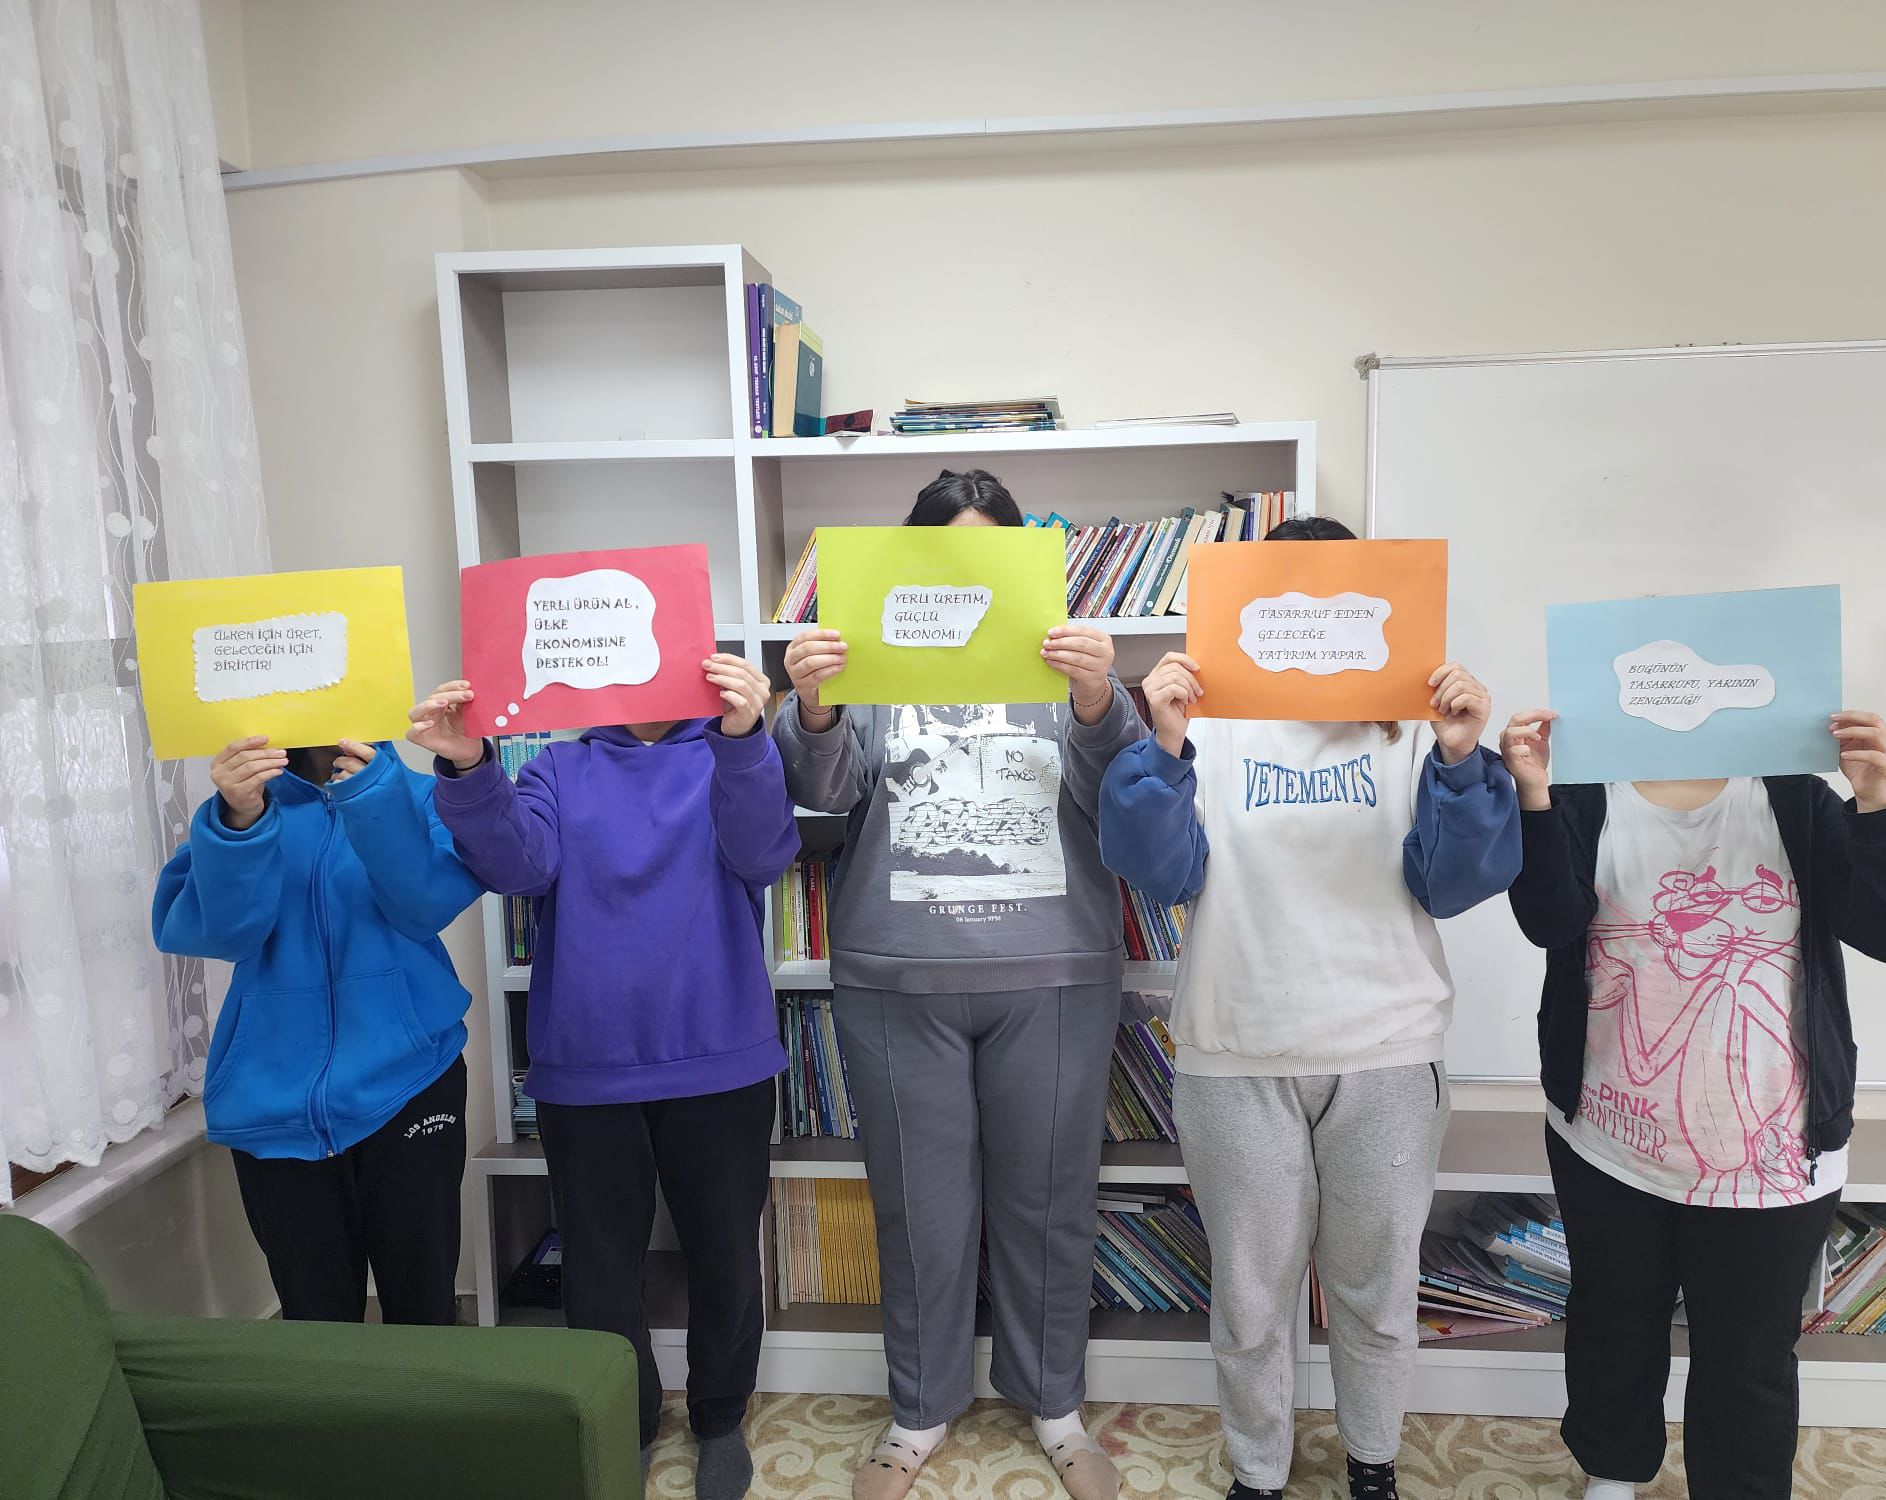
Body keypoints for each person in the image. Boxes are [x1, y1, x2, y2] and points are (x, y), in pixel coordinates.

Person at [1096, 515, 1521, 1500]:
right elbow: (1156, 871)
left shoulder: (1410, 727)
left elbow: (1457, 882)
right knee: (1249, 1300)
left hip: (1386, 1049)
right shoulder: (1206, 722)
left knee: (1376, 1290)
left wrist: (1461, 758)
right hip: (1235, 1050)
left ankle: (1372, 1464)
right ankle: (1258, 1473)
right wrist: (1164, 744)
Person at [774, 468, 1143, 1500]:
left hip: (1054, 974)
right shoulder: (871, 654)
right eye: (946, 554)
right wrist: (813, 706)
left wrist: (1096, 698)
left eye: (990, 553)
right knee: (916, 1213)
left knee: (1050, 1206)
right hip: (898, 978)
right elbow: (823, 795)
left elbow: (1123, 799)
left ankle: (1055, 1406)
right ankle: (918, 1410)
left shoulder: (1066, 660)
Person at [1499, 705, 1886, 1500]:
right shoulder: (1587, 795)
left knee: (1749, 1358)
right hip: (1608, 1137)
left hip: (1771, 1148)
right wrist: (1532, 794)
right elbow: (1547, 920)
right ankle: (1612, 1472)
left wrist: (1875, 802)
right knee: (1612, 1323)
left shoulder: (1796, 798)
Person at [411, 653, 794, 1500]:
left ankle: (720, 1417)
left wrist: (743, 741)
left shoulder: (730, 750)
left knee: (727, 1255)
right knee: (599, 1266)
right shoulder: (557, 765)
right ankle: (627, 1419)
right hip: (588, 1064)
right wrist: (470, 766)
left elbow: (765, 852)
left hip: (719, 1055)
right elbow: (518, 870)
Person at [153, 736, 481, 1327]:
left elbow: (425, 907)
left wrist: (372, 795)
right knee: (315, 1324)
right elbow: (217, 935)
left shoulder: (418, 794)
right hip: (272, 1096)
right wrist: (240, 823)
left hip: (411, 1082)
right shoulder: (240, 807)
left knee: (424, 1310)